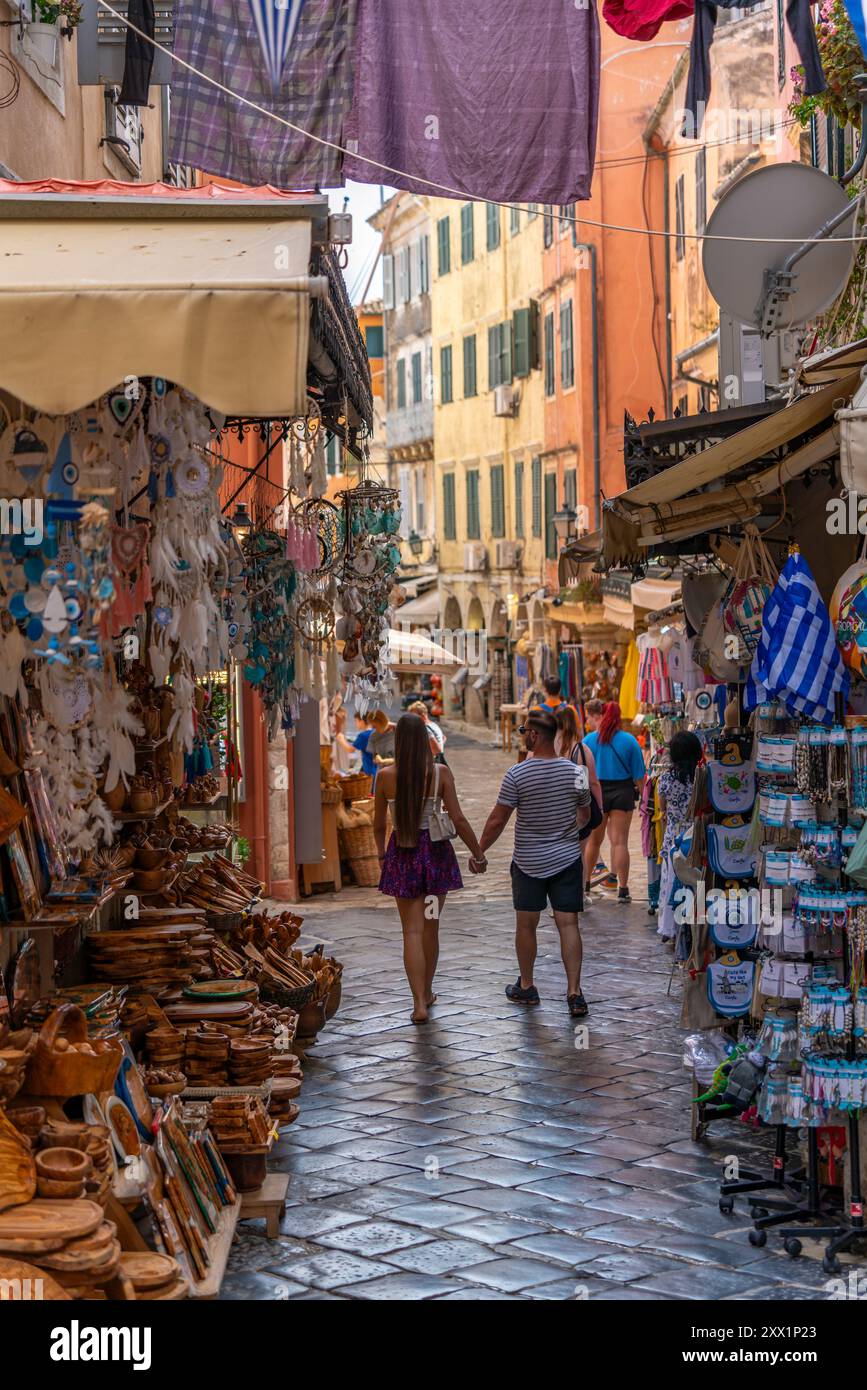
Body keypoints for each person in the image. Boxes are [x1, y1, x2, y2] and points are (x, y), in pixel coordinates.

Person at [477, 708, 592, 1018]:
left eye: (524, 731)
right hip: (567, 859)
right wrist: (568, 835)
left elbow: (498, 818)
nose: (522, 736)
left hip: (528, 862)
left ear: (535, 734)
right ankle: (574, 994)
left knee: (527, 925)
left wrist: (479, 851)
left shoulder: (517, 774)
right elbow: (585, 814)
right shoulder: (576, 773)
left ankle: (527, 986)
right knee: (568, 924)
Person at [374, 713, 485, 1024]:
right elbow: (459, 820)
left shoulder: (384, 777)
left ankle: (418, 1003)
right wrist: (478, 853)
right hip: (435, 858)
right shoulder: (440, 773)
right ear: (425, 739)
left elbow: (379, 823)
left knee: (410, 930)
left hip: (402, 855)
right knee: (430, 927)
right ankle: (428, 990)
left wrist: (381, 856)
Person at [582, 702, 646, 905]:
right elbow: (639, 776)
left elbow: (581, 772)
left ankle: (585, 883)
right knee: (620, 842)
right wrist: (646, 798)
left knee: (594, 841)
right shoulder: (629, 741)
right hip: (623, 792)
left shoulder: (589, 741)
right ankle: (623, 889)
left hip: (597, 792)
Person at [656, 731, 703, 947]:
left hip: (673, 838)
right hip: (695, 837)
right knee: (694, 884)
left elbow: (662, 808)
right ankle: (693, 929)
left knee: (670, 883)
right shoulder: (703, 777)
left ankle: (671, 930)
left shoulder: (665, 778)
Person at [368, 709, 396, 780]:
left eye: (374, 726)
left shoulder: (398, 730)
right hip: (382, 773)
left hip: (397, 772)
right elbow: (374, 756)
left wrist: (386, 761)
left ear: (381, 722)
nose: (373, 729)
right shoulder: (373, 736)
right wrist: (376, 758)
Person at [331, 705, 358, 775]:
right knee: (343, 760)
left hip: (339, 741)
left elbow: (338, 732)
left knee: (339, 762)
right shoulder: (343, 712)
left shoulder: (338, 715)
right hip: (342, 740)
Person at [352, 712, 377, 781]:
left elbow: (350, 750)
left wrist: (340, 738)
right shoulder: (375, 732)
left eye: (356, 721)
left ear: (362, 721)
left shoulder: (363, 735)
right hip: (377, 769)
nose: (355, 724)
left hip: (369, 771)